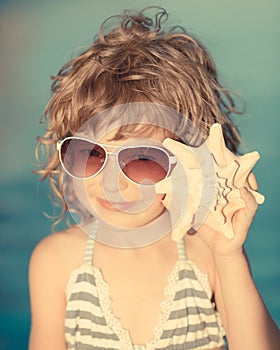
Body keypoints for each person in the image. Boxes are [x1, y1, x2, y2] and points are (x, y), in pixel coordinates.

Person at [28, 7, 280, 350]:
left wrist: (229, 254)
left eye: (142, 159)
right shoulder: (56, 261)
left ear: (190, 160)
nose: (112, 182)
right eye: (91, 154)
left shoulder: (208, 255)